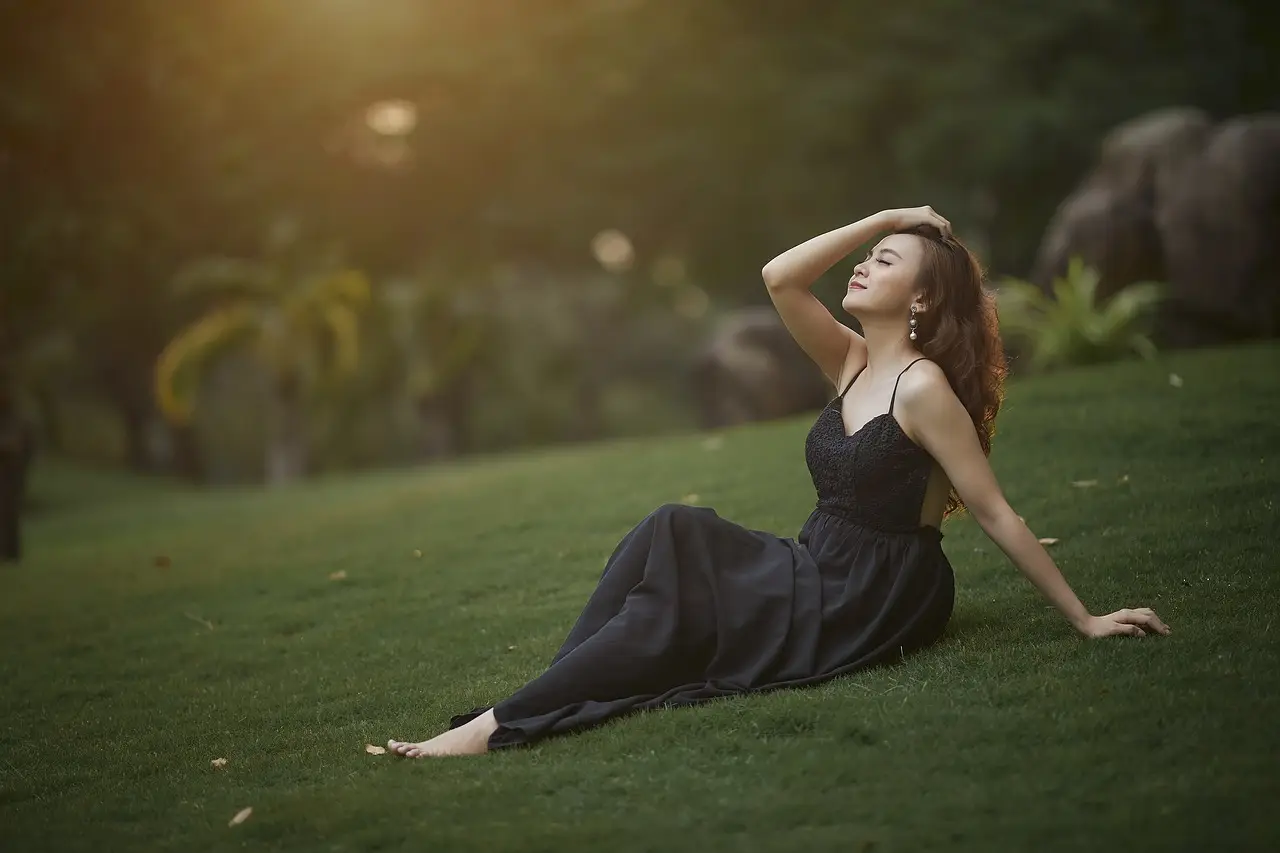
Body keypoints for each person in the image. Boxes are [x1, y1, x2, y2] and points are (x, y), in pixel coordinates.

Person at [388, 206, 1171, 758]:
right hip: (815, 559)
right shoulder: (852, 359)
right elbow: (779, 276)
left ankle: (499, 724)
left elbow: (994, 510)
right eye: (869, 255)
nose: (864, 265)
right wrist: (885, 220)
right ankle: (537, 699)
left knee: (675, 581)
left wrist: (1085, 617)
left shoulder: (924, 388)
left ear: (924, 298)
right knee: (670, 527)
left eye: (886, 262)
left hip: (872, 589)